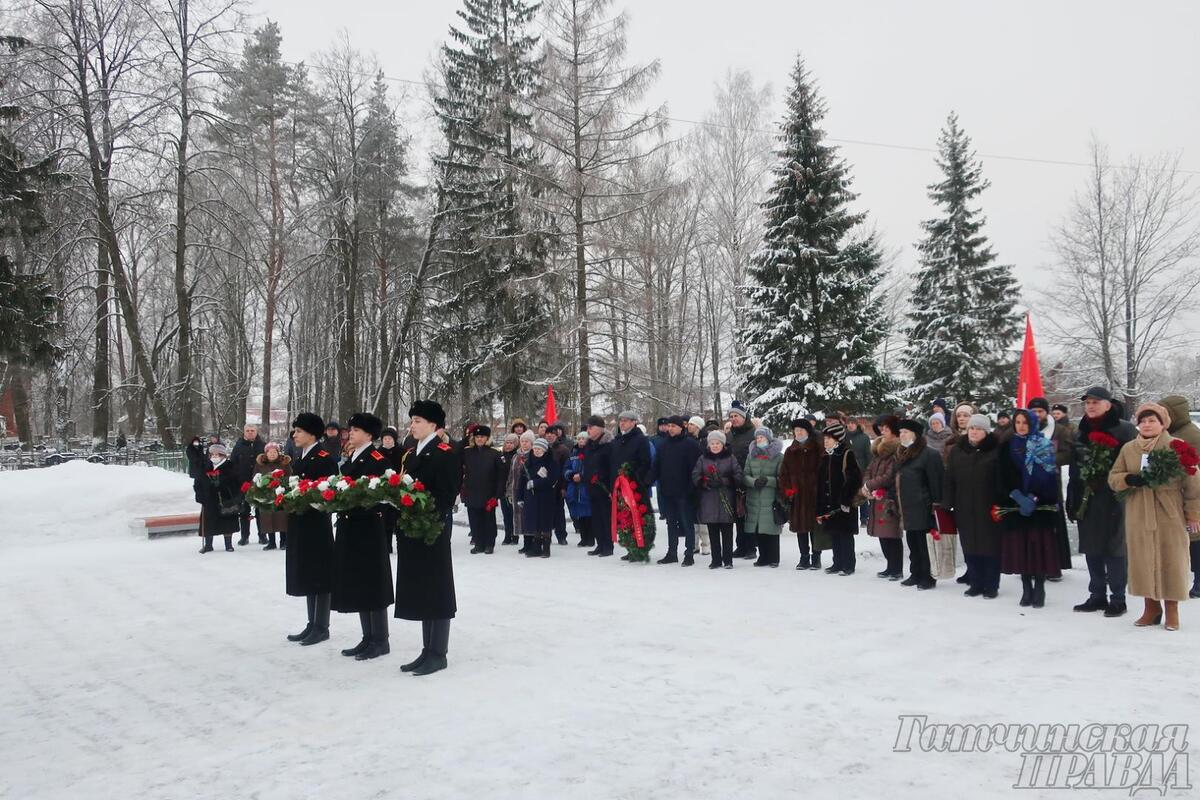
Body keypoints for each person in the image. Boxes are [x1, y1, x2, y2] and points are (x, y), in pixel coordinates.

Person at [1108, 403, 1200, 631]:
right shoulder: (1129, 449)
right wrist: (1128, 479)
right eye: (1143, 421)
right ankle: (1151, 607)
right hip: (1138, 511)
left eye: (1152, 421)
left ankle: (1171, 609)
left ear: (1163, 423)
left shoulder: (1176, 447)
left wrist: (1193, 515)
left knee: (1172, 559)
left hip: (1169, 512)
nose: (1147, 425)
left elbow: (1193, 485)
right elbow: (1113, 477)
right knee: (1142, 559)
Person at [395, 400, 459, 676]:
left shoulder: (446, 452)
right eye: (412, 421)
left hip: (432, 528)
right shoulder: (410, 453)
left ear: (434, 425)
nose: (413, 425)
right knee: (422, 588)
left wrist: (426, 511)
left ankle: (438, 653)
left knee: (437, 587)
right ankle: (426, 650)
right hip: (412, 529)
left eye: (418, 421)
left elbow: (448, 492)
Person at [1067, 386, 1137, 618]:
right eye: (1087, 403)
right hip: (1087, 497)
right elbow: (1075, 467)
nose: (1090, 406)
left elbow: (1133, 462)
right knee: (1091, 546)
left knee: (1114, 548)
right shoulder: (1081, 430)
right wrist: (1072, 497)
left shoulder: (1125, 429)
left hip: (1115, 497)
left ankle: (1118, 598)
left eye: (1095, 402)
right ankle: (1097, 594)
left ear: (1108, 404)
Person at [331, 413, 394, 661]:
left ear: (369, 435)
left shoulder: (377, 459)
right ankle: (367, 636)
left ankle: (380, 639)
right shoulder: (351, 458)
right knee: (358, 582)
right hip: (350, 527)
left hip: (368, 527)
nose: (351, 434)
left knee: (372, 583)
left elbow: (384, 493)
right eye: (351, 429)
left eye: (356, 430)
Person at [997, 409, 1062, 608]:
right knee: (1021, 548)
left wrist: (1034, 496)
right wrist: (1016, 495)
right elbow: (1001, 474)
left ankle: (1040, 587)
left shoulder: (1043, 444)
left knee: (1038, 547)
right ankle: (1026, 588)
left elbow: (1049, 475)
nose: (1021, 426)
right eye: (1017, 422)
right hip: (1016, 504)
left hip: (1040, 505)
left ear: (1032, 424)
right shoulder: (1007, 446)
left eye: (1025, 422)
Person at [284, 413, 338, 646]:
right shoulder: (300, 456)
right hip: (300, 521)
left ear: (312, 434)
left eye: (299, 431)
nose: (294, 435)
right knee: (306, 571)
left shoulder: (324, 458)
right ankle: (311, 623)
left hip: (316, 523)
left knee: (319, 573)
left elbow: (328, 491)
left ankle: (321, 625)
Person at [943, 415, 1002, 598]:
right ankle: (976, 582)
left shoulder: (996, 451)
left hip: (989, 507)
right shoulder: (958, 451)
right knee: (969, 546)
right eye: (971, 428)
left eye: (978, 428)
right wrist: (948, 503)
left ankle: (991, 584)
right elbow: (950, 479)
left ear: (986, 431)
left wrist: (1001, 503)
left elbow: (1002, 481)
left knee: (990, 547)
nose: (974, 432)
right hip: (964, 506)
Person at [895, 419, 944, 590]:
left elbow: (936, 482)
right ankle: (915, 573)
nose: (902, 435)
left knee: (925, 545)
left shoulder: (929, 454)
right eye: (900, 432)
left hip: (924, 507)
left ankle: (928, 576)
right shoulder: (902, 453)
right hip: (907, 507)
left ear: (915, 435)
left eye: (905, 432)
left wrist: (935, 506)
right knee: (913, 543)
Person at [1160, 395, 1200, 599]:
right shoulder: (1177, 432)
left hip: (1192, 492)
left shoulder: (1188, 435)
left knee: (1195, 537)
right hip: (1186, 492)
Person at [1029, 397, 1074, 576]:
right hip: (1028, 483)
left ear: (1046, 412)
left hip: (1050, 481)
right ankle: (1032, 564)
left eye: (1040, 411)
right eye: (1033, 411)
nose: (1037, 415)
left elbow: (1069, 453)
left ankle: (1054, 565)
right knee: (1031, 523)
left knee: (1052, 523)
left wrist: (1048, 460)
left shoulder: (1059, 430)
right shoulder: (1023, 427)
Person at [652, 416, 702, 566]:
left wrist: (692, 489)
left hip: (685, 492)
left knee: (687, 524)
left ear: (682, 427)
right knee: (671, 523)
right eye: (669, 426)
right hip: (667, 491)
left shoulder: (690, 445)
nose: (670, 428)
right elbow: (656, 466)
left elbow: (696, 470)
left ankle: (689, 554)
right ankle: (672, 552)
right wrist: (645, 481)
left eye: (674, 426)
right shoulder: (663, 445)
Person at [815, 422, 862, 576]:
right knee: (835, 533)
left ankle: (848, 564)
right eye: (825, 438)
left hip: (844, 502)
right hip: (830, 503)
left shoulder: (847, 454)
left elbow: (854, 479)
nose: (826, 441)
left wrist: (845, 499)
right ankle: (837, 562)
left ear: (838, 439)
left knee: (845, 534)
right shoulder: (826, 456)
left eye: (829, 438)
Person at [692, 430, 743, 569]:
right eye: (712, 443)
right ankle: (716, 560)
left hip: (726, 499)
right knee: (713, 532)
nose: (715, 446)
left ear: (723, 444)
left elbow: (738, 475)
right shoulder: (703, 458)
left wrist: (725, 481)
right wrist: (705, 482)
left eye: (717, 443)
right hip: (708, 500)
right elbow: (695, 475)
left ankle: (728, 560)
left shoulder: (730, 458)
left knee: (727, 532)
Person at [609, 410, 656, 558]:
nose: (622, 423)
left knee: (639, 516)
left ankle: (642, 548)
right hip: (619, 485)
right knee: (624, 517)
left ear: (634, 422)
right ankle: (630, 547)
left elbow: (645, 462)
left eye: (626, 420)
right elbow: (613, 462)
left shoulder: (640, 440)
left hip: (634, 485)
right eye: (620, 420)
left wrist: (634, 479)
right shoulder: (616, 440)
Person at [862, 416, 902, 579]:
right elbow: (868, 470)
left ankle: (896, 568)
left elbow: (888, 476)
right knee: (882, 534)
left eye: (886, 429)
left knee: (891, 534)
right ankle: (889, 566)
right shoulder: (878, 451)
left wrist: (870, 485)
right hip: (876, 498)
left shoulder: (895, 452)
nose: (883, 432)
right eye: (882, 429)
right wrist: (866, 484)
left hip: (888, 499)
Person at [779, 419, 823, 570]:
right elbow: (783, 473)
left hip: (814, 495)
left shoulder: (817, 448)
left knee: (815, 529)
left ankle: (816, 557)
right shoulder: (790, 451)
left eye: (801, 430)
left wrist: (820, 489)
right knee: (801, 529)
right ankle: (804, 557)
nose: (798, 433)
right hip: (797, 496)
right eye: (796, 431)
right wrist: (787, 490)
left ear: (808, 432)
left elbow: (823, 471)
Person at [185, 439, 240, 553]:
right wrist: (200, 496)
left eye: (218, 454)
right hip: (209, 499)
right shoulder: (205, 467)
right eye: (213, 454)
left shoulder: (229, 466)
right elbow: (198, 483)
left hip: (225, 499)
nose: (215, 456)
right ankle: (208, 545)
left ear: (223, 455)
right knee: (208, 522)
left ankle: (228, 544)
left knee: (227, 522)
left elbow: (235, 482)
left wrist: (222, 483)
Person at [461, 425, 504, 554]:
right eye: (477, 437)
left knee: (488, 520)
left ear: (487, 438)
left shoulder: (495, 453)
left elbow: (501, 476)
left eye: (482, 437)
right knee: (474, 520)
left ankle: (489, 544)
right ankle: (478, 543)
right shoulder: (467, 452)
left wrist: (497, 495)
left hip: (488, 493)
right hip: (472, 492)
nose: (479, 439)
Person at [516, 437, 561, 558]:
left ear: (545, 450)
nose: (536, 451)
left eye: (539, 449)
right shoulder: (528, 462)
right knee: (534, 522)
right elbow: (522, 481)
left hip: (546, 497)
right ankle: (536, 548)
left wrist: (536, 483)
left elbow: (552, 480)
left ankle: (546, 548)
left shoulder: (551, 463)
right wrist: (520, 497)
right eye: (535, 448)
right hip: (531, 497)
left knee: (544, 522)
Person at [725, 401, 758, 559]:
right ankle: (741, 546)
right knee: (738, 515)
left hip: (749, 479)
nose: (733, 419)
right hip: (733, 480)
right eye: (731, 416)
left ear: (743, 417)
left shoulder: (753, 433)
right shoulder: (730, 435)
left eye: (736, 416)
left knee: (749, 515)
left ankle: (751, 547)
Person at [581, 416, 615, 557]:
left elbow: (612, 467)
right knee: (596, 517)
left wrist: (609, 486)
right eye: (587, 427)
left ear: (600, 428)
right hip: (591, 486)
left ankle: (608, 546)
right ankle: (600, 544)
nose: (588, 430)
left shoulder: (609, 445)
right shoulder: (589, 445)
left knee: (605, 517)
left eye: (591, 427)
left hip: (604, 487)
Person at [229, 423, 266, 545]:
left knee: (261, 510)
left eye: (253, 430)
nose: (250, 432)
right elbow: (233, 464)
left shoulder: (262, 445)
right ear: (244, 432)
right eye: (248, 430)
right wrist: (236, 479)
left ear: (256, 432)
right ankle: (244, 536)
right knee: (244, 511)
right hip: (243, 483)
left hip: (259, 483)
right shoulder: (238, 446)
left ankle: (262, 535)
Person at [254, 442, 291, 551]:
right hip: (266, 495)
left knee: (282, 518)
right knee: (268, 518)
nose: (272, 454)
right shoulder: (260, 465)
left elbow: (290, 477)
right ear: (266, 453)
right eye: (270, 452)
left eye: (275, 452)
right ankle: (271, 542)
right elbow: (255, 478)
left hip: (281, 494)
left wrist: (282, 484)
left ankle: (283, 541)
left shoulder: (284, 464)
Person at [564, 431, 594, 548]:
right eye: (579, 439)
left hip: (586, 488)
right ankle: (583, 538)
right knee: (580, 514)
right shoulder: (573, 454)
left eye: (584, 439)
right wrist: (571, 475)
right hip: (575, 488)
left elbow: (592, 469)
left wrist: (582, 476)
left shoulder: (591, 453)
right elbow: (566, 468)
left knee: (588, 514)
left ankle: (590, 538)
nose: (581, 441)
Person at [687, 415, 712, 556]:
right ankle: (693, 544)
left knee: (703, 514)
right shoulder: (687, 440)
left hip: (703, 480)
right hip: (690, 480)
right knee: (692, 514)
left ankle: (706, 544)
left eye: (691, 424)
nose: (688, 426)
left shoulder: (705, 440)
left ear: (697, 426)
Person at [546, 425, 572, 545]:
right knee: (546, 512)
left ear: (557, 435)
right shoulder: (542, 448)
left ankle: (561, 535)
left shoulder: (563, 450)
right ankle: (546, 535)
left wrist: (563, 487)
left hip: (558, 486)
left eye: (552, 433)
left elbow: (565, 469)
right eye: (548, 433)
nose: (549, 435)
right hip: (545, 486)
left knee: (559, 512)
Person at [509, 431, 536, 553]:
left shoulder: (534, 455)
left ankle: (532, 543)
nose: (524, 444)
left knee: (529, 517)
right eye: (523, 441)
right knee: (520, 518)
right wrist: (509, 489)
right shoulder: (516, 456)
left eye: (527, 441)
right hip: (516, 491)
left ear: (532, 443)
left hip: (528, 491)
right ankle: (526, 543)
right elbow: (511, 475)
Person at [845, 416, 873, 528]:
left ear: (856, 424)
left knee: (862, 494)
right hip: (847, 469)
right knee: (848, 494)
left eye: (852, 423)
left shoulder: (864, 437)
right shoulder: (843, 437)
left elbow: (868, 455)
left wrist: (868, 470)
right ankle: (849, 516)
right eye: (848, 423)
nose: (850, 425)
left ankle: (864, 518)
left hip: (861, 469)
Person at [498, 433, 519, 545]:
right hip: (502, 489)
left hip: (513, 489)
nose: (509, 445)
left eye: (511, 443)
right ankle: (507, 535)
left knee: (513, 513)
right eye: (507, 442)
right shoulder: (500, 456)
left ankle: (515, 536)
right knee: (506, 515)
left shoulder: (517, 456)